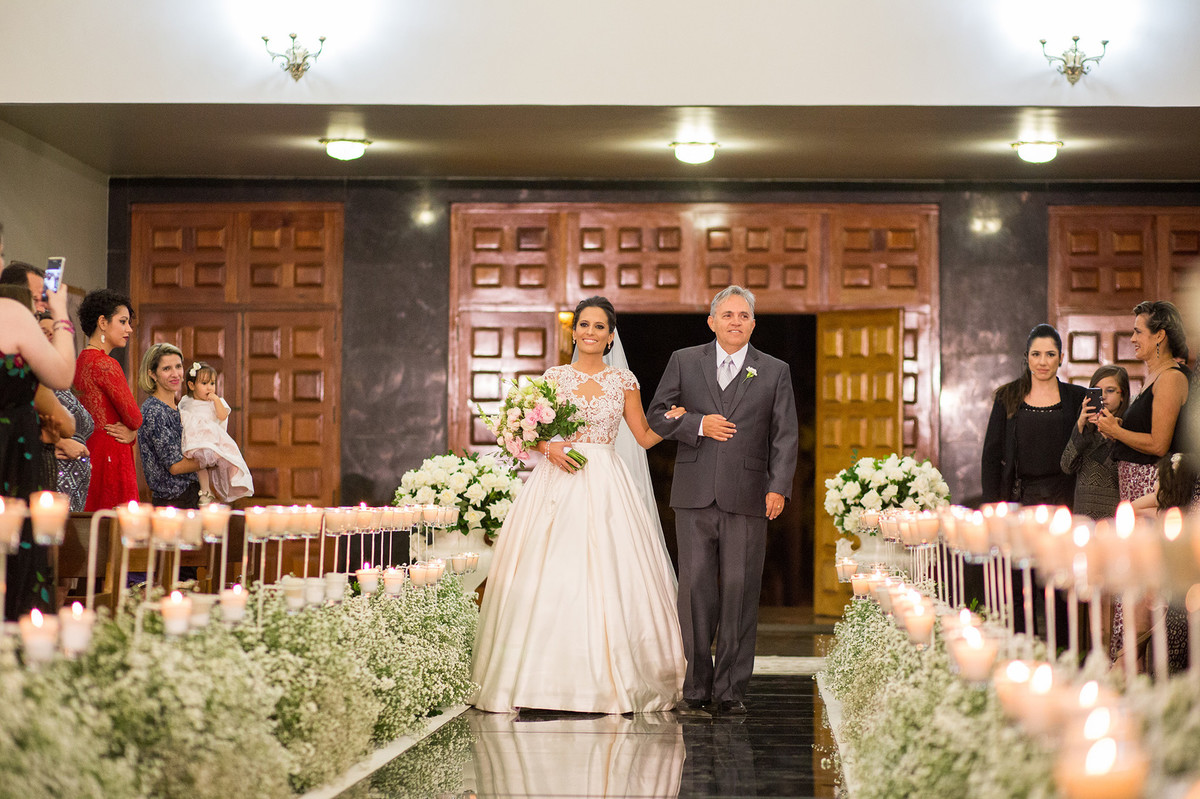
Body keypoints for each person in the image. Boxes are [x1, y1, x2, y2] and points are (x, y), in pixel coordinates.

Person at [472, 296, 687, 714]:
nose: (590, 332)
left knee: (610, 571)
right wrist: (547, 447)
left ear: (610, 337)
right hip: (558, 477)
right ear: (575, 332)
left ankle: (612, 679)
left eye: (599, 327)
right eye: (584, 325)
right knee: (549, 569)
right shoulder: (554, 377)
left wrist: (670, 423)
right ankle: (534, 680)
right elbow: (524, 430)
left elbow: (643, 437)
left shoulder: (623, 381)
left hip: (607, 481)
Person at [647, 285, 800, 717]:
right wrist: (697, 424)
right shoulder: (684, 361)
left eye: (743, 315)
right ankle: (696, 687)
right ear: (711, 321)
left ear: (753, 324)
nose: (735, 321)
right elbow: (657, 414)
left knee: (740, 589)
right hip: (694, 493)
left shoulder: (774, 370)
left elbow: (785, 433)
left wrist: (778, 486)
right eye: (727, 314)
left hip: (749, 495)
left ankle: (731, 689)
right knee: (695, 591)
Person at [0, 253, 77, 620]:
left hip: (18, 450)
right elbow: (61, 377)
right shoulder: (12, 315)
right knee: (16, 558)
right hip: (10, 455)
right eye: (37, 298)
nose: (40, 305)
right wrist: (61, 311)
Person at [1099, 301, 1190, 504]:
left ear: (1159, 336)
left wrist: (1116, 431)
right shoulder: (1156, 376)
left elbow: (1159, 445)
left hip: (1152, 491)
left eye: (1138, 332)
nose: (1132, 338)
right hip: (1138, 491)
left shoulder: (1170, 378)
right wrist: (1120, 428)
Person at [74, 289, 142, 510]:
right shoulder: (105, 364)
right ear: (102, 322)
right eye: (123, 322)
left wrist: (132, 432)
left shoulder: (80, 360)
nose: (129, 329)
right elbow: (134, 418)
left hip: (88, 452)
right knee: (115, 523)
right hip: (110, 455)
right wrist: (132, 433)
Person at [36, 313, 94, 511]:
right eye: (44, 333)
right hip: (49, 478)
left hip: (76, 487)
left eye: (57, 334)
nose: (52, 338)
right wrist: (59, 443)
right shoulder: (31, 380)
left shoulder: (62, 382)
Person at [1061, 365, 1129, 520]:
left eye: (1110, 390)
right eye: (1097, 391)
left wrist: (1110, 436)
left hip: (1113, 514)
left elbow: (1120, 473)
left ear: (1122, 395)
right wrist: (1080, 426)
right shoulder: (1086, 428)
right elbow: (1066, 466)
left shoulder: (1126, 429)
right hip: (1083, 513)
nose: (1103, 396)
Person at [179, 361, 253, 503]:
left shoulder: (216, 402)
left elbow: (222, 415)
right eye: (204, 383)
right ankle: (206, 491)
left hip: (211, 439)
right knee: (200, 465)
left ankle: (231, 484)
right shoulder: (186, 401)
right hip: (195, 439)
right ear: (191, 386)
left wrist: (216, 400)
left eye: (212, 383)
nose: (210, 387)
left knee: (224, 463)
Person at [137, 344, 201, 508]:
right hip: (173, 503)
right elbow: (175, 466)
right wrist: (212, 460)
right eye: (167, 368)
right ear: (152, 374)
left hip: (188, 497)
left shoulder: (176, 408)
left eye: (178, 366)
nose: (175, 374)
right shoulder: (154, 410)